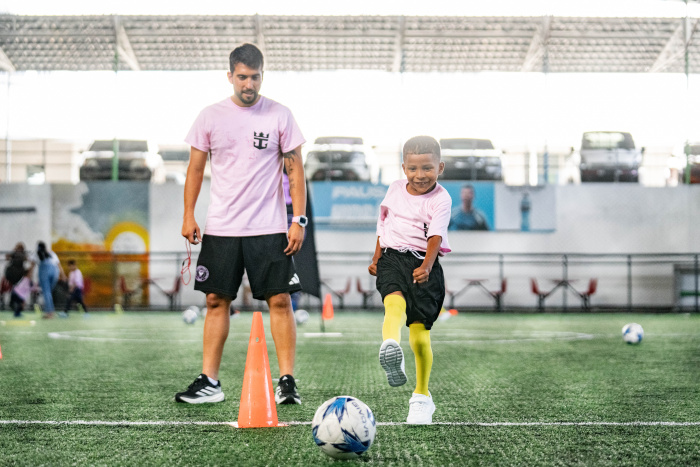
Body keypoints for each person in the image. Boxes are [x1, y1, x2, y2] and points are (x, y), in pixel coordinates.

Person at [176, 43, 307, 405]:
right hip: (221, 227)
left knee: (280, 300)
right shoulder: (209, 116)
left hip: (269, 227)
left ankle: (287, 382)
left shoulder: (280, 115)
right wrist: (189, 214)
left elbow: (296, 172)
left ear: (263, 75)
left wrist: (298, 219)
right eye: (243, 77)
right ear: (230, 75)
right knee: (216, 300)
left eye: (256, 77)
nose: (249, 84)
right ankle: (210, 382)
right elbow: (196, 169)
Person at [368, 135, 452, 425]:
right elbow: (383, 223)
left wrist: (427, 266)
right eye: (414, 169)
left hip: (423, 263)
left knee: (419, 335)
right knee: (393, 305)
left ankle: (421, 397)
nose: (420, 176)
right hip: (392, 259)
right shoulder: (393, 190)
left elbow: (435, 237)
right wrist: (377, 256)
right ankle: (392, 347)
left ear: (440, 167)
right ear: (404, 168)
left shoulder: (441, 198)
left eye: (427, 168)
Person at [34, 241, 63, 319]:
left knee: (46, 292)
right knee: (48, 292)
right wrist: (63, 275)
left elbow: (32, 265)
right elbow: (58, 264)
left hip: (44, 271)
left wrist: (28, 276)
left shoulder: (37, 254)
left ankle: (49, 312)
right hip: (55, 271)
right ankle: (50, 310)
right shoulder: (51, 253)